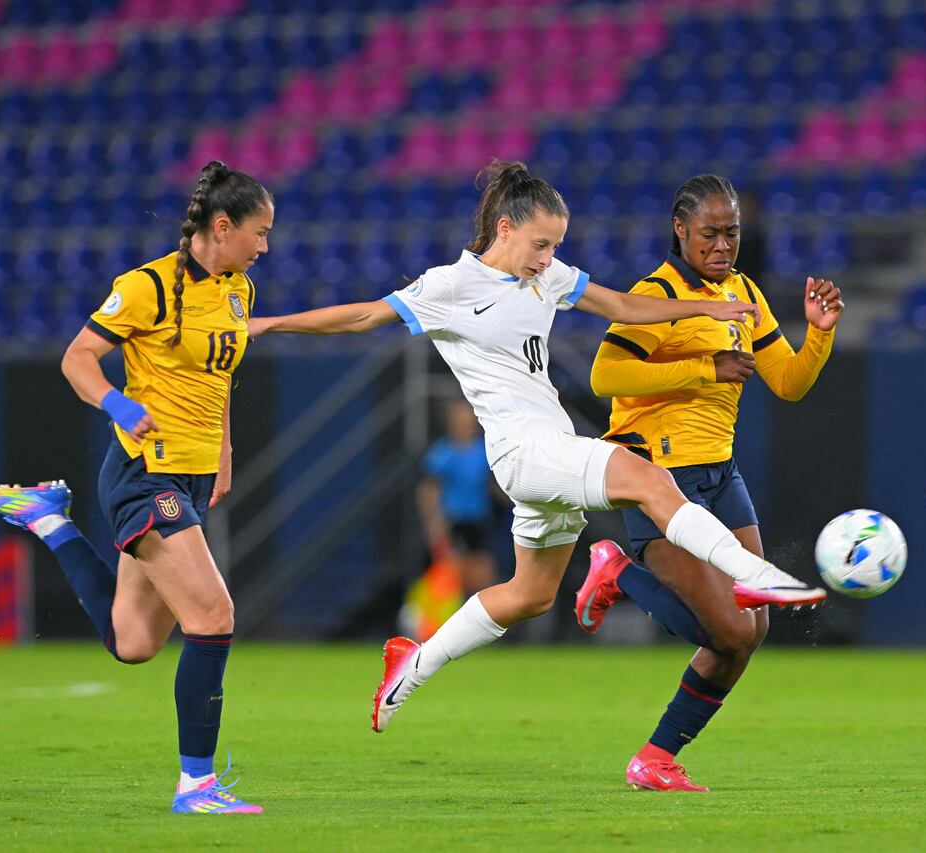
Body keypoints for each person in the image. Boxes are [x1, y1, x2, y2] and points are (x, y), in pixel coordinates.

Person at [244, 160, 824, 738]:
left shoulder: (542, 277)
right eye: (541, 244)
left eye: (556, 246)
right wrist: (269, 325)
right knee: (647, 478)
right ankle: (753, 573)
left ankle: (413, 663)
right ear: (504, 229)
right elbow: (363, 316)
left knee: (530, 594)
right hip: (523, 452)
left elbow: (622, 307)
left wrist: (706, 306)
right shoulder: (449, 286)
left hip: (552, 449)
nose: (548, 258)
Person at [0, 161, 270, 813]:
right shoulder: (147, 288)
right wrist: (116, 404)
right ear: (223, 226)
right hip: (144, 473)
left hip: (186, 473)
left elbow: (218, 379)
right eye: (259, 231)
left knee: (132, 642)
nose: (264, 245)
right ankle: (197, 785)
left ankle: (48, 518)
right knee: (213, 616)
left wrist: (222, 447)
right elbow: (77, 356)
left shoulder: (239, 289)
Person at [572, 174, 841, 792]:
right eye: (710, 233)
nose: (723, 245)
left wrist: (819, 334)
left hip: (721, 474)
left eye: (732, 232)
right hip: (658, 475)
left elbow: (789, 382)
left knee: (754, 626)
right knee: (726, 629)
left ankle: (657, 757)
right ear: (680, 230)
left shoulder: (744, 292)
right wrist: (703, 368)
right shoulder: (658, 293)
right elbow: (605, 375)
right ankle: (617, 569)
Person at [416, 398, 498, 598]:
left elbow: (496, 487)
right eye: (460, 419)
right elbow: (428, 493)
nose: (465, 424)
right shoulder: (442, 454)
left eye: (468, 419)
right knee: (452, 578)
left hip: (480, 522)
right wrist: (435, 530)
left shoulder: (485, 451)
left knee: (483, 578)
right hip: (454, 523)